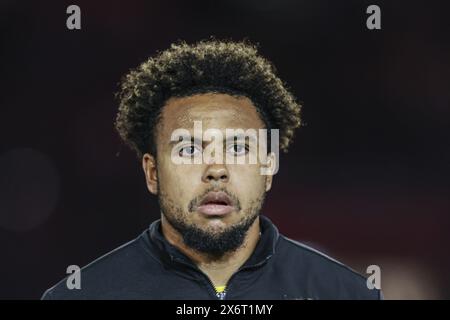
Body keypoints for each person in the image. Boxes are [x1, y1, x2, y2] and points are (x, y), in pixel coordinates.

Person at [42, 40, 381, 300]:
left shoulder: (344, 293)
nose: (216, 169)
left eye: (238, 148)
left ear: (269, 165)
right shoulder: (83, 295)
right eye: (189, 149)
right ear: (152, 173)